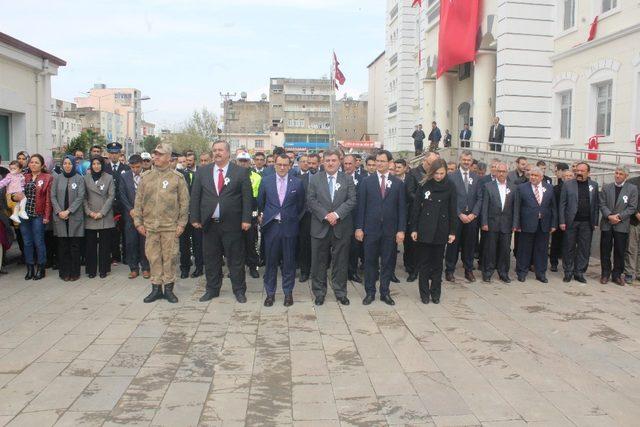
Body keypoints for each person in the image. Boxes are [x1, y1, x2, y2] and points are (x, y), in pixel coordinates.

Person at [190, 141, 253, 303]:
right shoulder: (202, 172)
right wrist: (195, 218)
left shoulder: (240, 172)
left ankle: (239, 290)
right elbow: (195, 196)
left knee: (235, 259)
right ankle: (212, 289)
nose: (217, 153)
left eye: (220, 150)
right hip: (209, 224)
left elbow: (247, 198)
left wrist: (246, 219)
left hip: (233, 224)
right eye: (214, 150)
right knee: (211, 259)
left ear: (228, 153)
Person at [133, 143, 189, 303]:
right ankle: (156, 288)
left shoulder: (177, 178)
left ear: (168, 158)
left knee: (170, 258)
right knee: (153, 257)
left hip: (170, 227)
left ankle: (169, 289)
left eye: (160, 154)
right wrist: (138, 222)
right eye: (155, 154)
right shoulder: (145, 177)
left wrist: (182, 224)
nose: (156, 157)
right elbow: (138, 202)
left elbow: (184, 203)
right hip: (150, 226)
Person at [355, 150, 406, 306]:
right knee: (370, 262)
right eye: (377, 161)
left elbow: (402, 208)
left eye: (383, 161)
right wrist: (359, 228)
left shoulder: (397, 183)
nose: (379, 163)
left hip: (390, 231)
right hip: (371, 230)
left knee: (388, 262)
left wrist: (401, 230)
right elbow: (361, 207)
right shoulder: (366, 182)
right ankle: (370, 292)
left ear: (390, 163)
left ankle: (385, 292)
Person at [307, 149, 357, 306]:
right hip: (319, 226)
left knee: (341, 262)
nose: (330, 163)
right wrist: (326, 215)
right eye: (327, 160)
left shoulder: (347, 179)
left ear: (339, 161)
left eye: (333, 160)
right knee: (318, 262)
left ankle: (340, 292)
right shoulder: (315, 179)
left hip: (341, 227)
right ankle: (319, 292)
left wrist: (336, 214)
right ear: (323, 162)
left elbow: (352, 200)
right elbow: (311, 200)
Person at [257, 154, 305, 307]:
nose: (282, 167)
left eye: (285, 165)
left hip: (289, 227)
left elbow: (301, 206)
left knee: (289, 262)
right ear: (274, 165)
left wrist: (292, 219)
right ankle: (270, 294)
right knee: (270, 262)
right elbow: (261, 202)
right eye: (279, 165)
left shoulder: (297, 183)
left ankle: (288, 293)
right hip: (272, 227)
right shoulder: (266, 181)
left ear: (290, 166)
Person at [410, 159, 456, 304]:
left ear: (446, 172)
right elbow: (416, 208)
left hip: (441, 230)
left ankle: (435, 293)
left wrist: (452, 231)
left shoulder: (451, 186)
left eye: (442, 173)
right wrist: (414, 229)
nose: (438, 176)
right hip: (425, 229)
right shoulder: (424, 185)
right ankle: (424, 294)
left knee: (437, 264)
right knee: (424, 263)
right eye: (436, 173)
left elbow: (453, 210)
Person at [513, 166, 557, 283]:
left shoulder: (549, 188)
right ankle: (522, 272)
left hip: (544, 224)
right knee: (524, 249)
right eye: (531, 175)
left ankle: (541, 273)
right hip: (526, 223)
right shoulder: (522, 188)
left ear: (541, 177)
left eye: (536, 175)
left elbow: (553, 207)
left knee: (542, 250)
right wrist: (516, 224)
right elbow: (517, 207)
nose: (533, 177)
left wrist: (553, 224)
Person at [559, 162, 599, 284]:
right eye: (578, 171)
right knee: (569, 247)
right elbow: (562, 204)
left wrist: (595, 221)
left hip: (587, 223)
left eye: (582, 171)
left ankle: (579, 272)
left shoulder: (594, 185)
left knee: (584, 248)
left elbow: (596, 205)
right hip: (571, 222)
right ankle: (568, 272)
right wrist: (562, 221)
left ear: (588, 172)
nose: (579, 173)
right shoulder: (568, 184)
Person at [445, 151, 481, 283]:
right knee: (453, 245)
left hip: (471, 218)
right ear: (460, 160)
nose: (466, 162)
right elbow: (449, 198)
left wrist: (473, 214)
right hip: (456, 217)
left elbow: (480, 198)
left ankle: (468, 270)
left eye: (469, 160)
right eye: (464, 159)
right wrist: (459, 213)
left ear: (471, 161)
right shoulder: (451, 177)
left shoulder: (476, 177)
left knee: (470, 245)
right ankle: (449, 270)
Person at [599, 166, 637, 286]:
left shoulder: (632, 189)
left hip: (621, 225)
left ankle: (617, 275)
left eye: (621, 174)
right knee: (605, 250)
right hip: (607, 223)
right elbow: (602, 204)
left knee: (620, 251)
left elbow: (632, 207)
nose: (617, 175)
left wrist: (619, 217)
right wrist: (610, 216)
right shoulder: (606, 187)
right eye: (616, 173)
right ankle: (605, 274)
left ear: (626, 176)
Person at [51, 155, 85, 281]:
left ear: (73, 164)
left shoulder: (79, 178)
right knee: (63, 246)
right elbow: (53, 196)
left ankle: (75, 272)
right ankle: (64, 272)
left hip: (74, 217)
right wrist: (60, 211)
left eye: (69, 163)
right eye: (65, 163)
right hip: (60, 217)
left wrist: (69, 211)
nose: (67, 166)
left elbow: (80, 197)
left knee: (74, 247)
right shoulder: (57, 178)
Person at [480, 162, 515, 283]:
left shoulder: (513, 187)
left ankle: (503, 272)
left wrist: (515, 224)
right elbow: (484, 206)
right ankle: (488, 272)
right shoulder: (488, 186)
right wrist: (484, 222)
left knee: (505, 250)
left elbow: (515, 208)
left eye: (503, 171)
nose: (501, 174)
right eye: (499, 171)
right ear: (495, 172)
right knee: (490, 249)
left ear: (507, 172)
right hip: (491, 223)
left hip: (506, 224)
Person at [20, 154, 53, 280]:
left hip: (38, 215)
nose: (33, 164)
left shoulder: (47, 178)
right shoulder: (24, 177)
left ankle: (41, 267)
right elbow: (15, 193)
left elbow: (48, 200)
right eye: (31, 162)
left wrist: (46, 215)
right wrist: (13, 197)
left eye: (36, 162)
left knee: (39, 242)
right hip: (24, 214)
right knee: (27, 242)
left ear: (42, 165)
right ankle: (29, 268)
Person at [119, 155, 150, 279]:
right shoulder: (124, 176)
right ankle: (133, 268)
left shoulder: (148, 176)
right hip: (130, 215)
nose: (135, 170)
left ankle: (146, 268)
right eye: (133, 167)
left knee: (144, 242)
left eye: (138, 167)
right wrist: (130, 209)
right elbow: (122, 194)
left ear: (142, 164)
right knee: (131, 242)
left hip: (145, 215)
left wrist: (145, 210)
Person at [84, 157, 115, 279]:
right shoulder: (85, 178)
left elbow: (111, 196)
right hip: (90, 215)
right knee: (90, 245)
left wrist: (102, 213)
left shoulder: (109, 178)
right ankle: (91, 270)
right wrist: (89, 212)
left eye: (98, 164)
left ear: (102, 165)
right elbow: (83, 197)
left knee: (104, 245)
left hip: (104, 215)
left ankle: (104, 269)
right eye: (94, 164)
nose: (96, 166)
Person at [176, 152, 203, 279]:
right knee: (183, 244)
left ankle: (199, 267)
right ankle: (185, 268)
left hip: (197, 215)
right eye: (186, 160)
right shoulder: (179, 175)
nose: (188, 162)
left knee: (198, 243)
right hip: (183, 216)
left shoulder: (201, 174)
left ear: (194, 161)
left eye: (190, 160)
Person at [236, 151, 262, 279]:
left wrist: (257, 214)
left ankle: (253, 267)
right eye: (240, 160)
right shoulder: (231, 175)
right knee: (236, 245)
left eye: (245, 161)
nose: (243, 163)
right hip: (234, 215)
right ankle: (236, 269)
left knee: (251, 243)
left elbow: (258, 198)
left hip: (251, 214)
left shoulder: (256, 177)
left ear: (249, 162)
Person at [103, 142, 130, 266]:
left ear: (120, 154)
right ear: (108, 154)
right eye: (111, 153)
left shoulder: (126, 169)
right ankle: (114, 256)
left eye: (116, 153)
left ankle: (126, 256)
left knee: (125, 231)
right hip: (109, 206)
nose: (114, 156)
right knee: (111, 232)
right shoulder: (105, 169)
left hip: (123, 205)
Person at [395, 159, 419, 281]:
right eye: (396, 167)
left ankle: (412, 269)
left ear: (405, 168)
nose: (397, 169)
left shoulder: (411, 178)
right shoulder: (391, 179)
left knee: (410, 245)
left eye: (399, 167)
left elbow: (415, 194)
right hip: (394, 216)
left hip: (409, 215)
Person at [298, 153, 319, 283]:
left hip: (320, 217)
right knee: (304, 245)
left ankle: (317, 272)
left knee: (319, 246)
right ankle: (304, 271)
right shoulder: (301, 178)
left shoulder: (324, 178)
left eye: (313, 163)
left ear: (319, 163)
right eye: (308, 163)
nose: (310, 166)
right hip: (305, 216)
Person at [343, 155, 362, 284]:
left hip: (356, 219)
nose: (348, 166)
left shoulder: (363, 180)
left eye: (350, 163)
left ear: (356, 164)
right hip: (341, 219)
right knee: (341, 248)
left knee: (355, 248)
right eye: (345, 164)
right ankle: (341, 272)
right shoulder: (337, 179)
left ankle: (353, 272)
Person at [549, 163, 570, 271]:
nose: (568, 178)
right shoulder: (556, 189)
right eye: (566, 177)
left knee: (568, 243)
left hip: (570, 220)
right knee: (555, 242)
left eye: (570, 176)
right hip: (558, 219)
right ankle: (553, 263)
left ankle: (567, 264)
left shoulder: (574, 189)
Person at [626, 172, 640, 284]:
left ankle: (639, 273)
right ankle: (629, 273)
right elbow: (628, 200)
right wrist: (636, 213)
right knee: (632, 248)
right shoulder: (632, 182)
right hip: (634, 220)